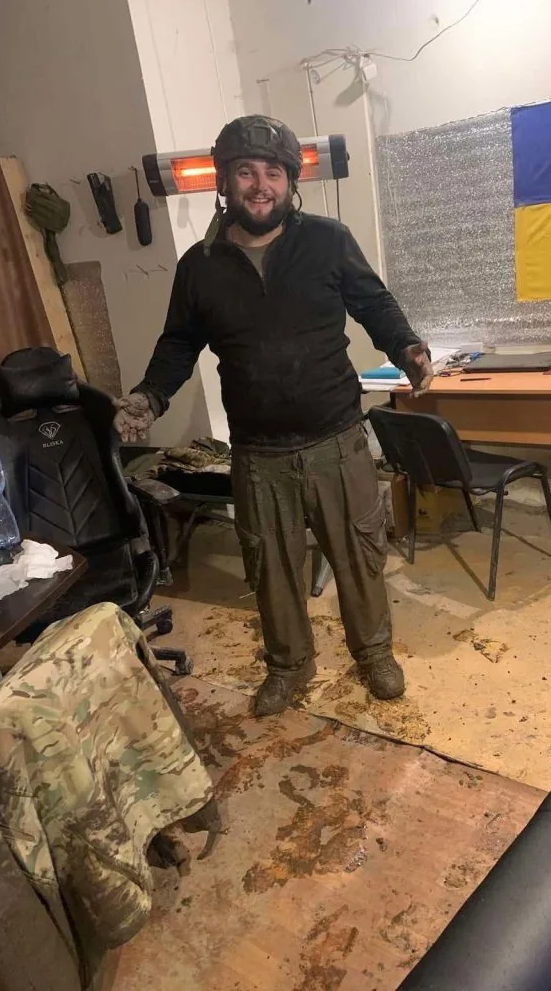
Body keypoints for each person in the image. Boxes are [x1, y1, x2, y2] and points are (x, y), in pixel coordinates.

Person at [114, 115, 433, 717]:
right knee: (271, 569)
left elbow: (374, 304)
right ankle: (289, 666)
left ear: (290, 183)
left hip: (337, 440)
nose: (261, 185)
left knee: (359, 557)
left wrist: (407, 348)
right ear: (224, 181)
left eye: (273, 173)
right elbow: (179, 342)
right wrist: (149, 396)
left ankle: (373, 654)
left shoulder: (328, 241)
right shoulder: (199, 265)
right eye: (246, 172)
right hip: (258, 452)